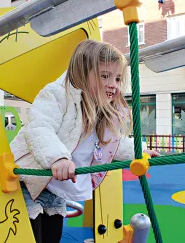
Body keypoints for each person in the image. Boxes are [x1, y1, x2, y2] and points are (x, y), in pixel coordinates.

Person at [10, 39, 160, 243]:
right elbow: (40, 128)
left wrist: (139, 151)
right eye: (105, 76)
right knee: (30, 236)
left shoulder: (102, 112)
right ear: (82, 73)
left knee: (52, 236)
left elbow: (112, 143)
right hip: (29, 183)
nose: (112, 85)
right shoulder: (56, 95)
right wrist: (58, 158)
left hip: (56, 190)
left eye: (117, 79)